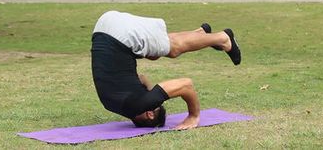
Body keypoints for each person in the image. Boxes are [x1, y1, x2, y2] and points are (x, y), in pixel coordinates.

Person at [91, 11, 241, 130]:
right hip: (103, 28)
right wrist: (149, 92)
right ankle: (198, 36)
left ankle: (223, 38)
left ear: (149, 114)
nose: (155, 100)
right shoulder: (113, 105)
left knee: (174, 49)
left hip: (120, 34)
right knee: (156, 51)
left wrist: (193, 116)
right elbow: (141, 78)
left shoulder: (139, 105)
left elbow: (186, 85)